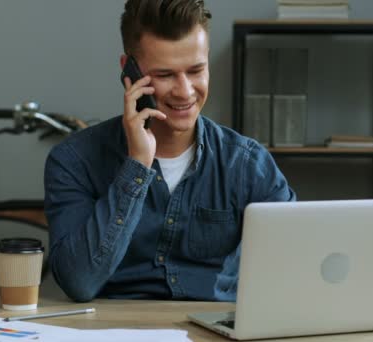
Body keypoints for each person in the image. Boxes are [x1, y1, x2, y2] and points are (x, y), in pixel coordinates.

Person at [44, 0, 295, 302]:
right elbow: (79, 282)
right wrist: (137, 166)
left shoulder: (247, 164)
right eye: (165, 75)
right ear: (130, 72)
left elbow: (295, 265)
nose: (185, 91)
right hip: (115, 330)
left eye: (196, 71)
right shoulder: (73, 161)